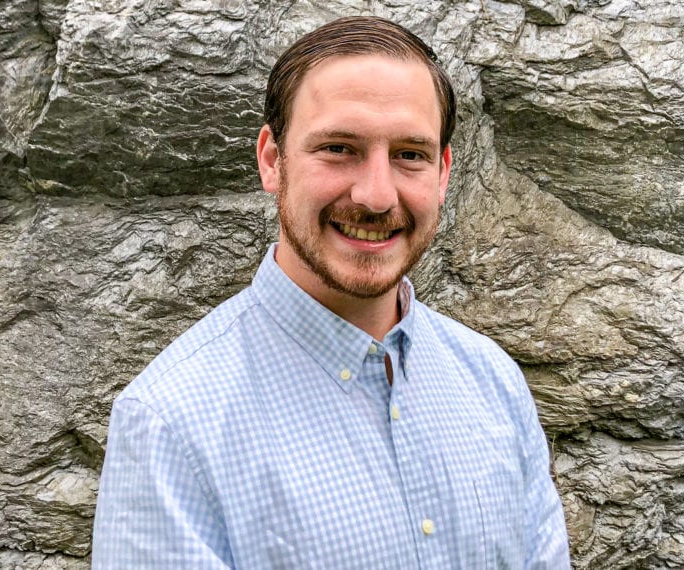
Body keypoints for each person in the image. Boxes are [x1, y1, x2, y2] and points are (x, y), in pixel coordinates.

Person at [92, 16, 570, 569]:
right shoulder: (170, 425)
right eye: (339, 148)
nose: (374, 195)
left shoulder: (494, 383)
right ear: (273, 160)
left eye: (409, 154)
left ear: (442, 173)